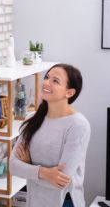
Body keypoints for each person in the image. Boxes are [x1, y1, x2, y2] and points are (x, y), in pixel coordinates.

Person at [9, 64, 90, 207]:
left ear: (69, 93)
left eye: (55, 81)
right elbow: (13, 166)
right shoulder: (33, 120)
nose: (46, 82)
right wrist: (45, 173)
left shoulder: (78, 125)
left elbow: (60, 182)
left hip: (64, 202)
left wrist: (29, 167)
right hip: (35, 202)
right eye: (47, 77)